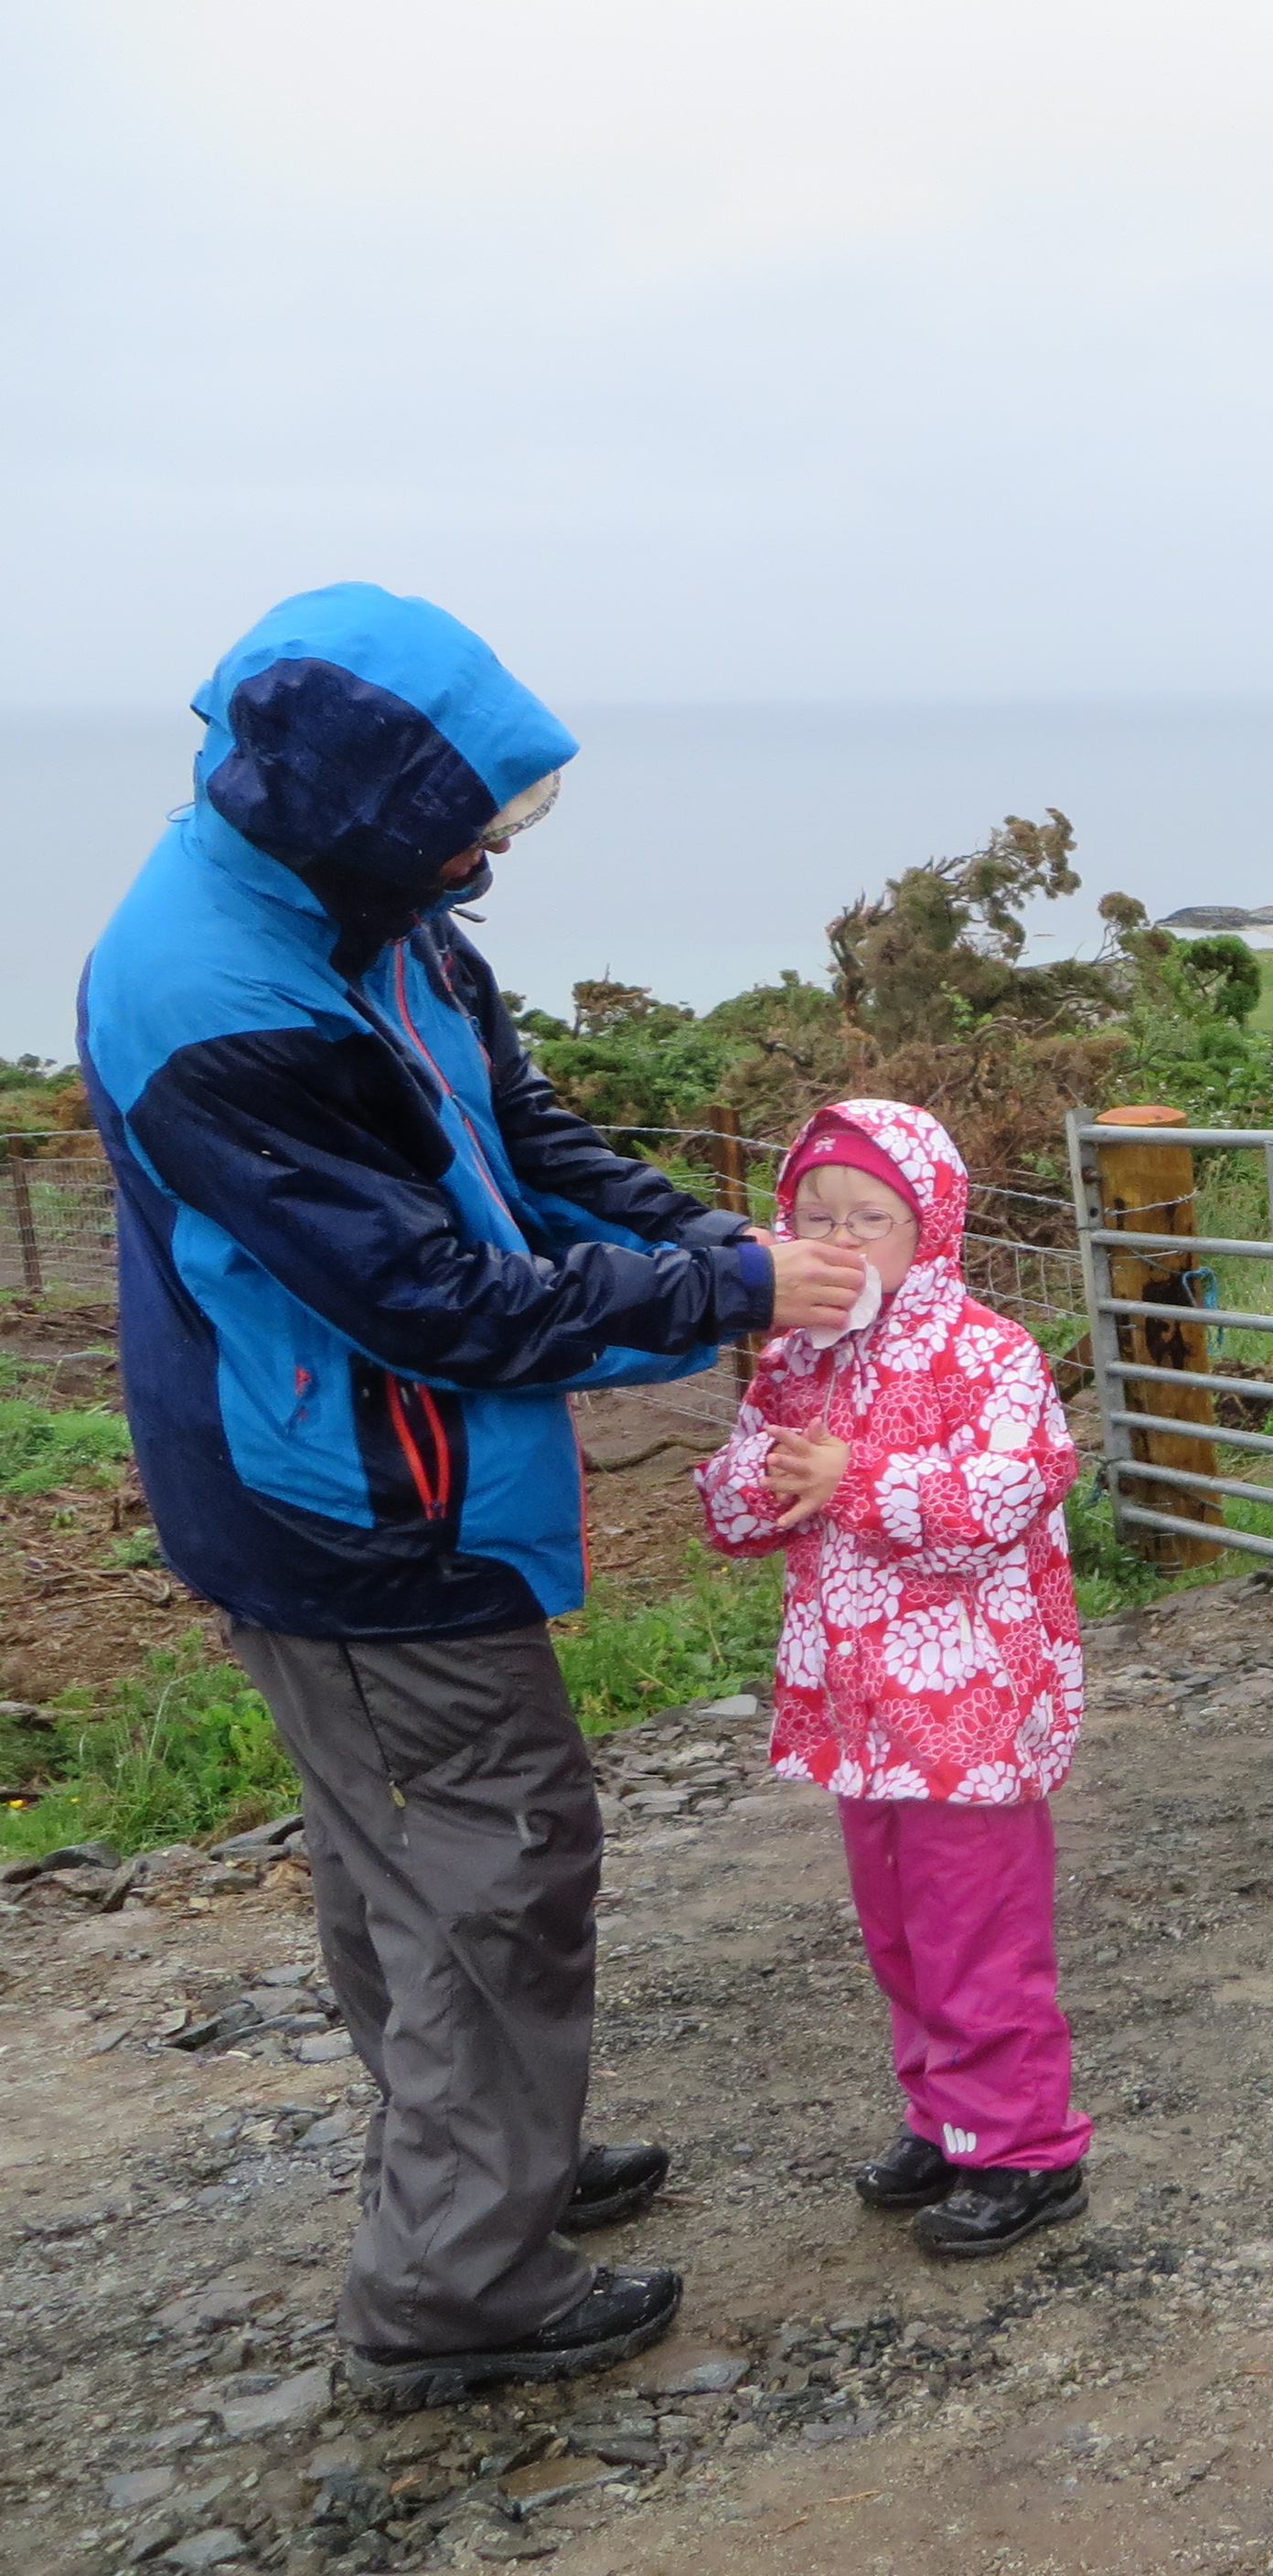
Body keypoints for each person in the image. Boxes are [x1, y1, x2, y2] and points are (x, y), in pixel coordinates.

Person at [76, 584, 870, 2410]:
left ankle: (487, 2161)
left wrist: (711, 1242)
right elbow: (431, 1298)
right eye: (469, 821)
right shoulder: (216, 997)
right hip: (348, 1501)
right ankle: (455, 2282)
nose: (488, 855)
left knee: (408, 1858)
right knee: (495, 1856)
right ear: (365, 810)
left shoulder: (373, 913)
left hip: (348, 1465)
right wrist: (725, 1296)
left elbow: (517, 1138)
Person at [696, 1098, 1093, 2255]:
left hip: (971, 1707)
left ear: (932, 1225)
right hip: (859, 1707)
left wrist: (856, 1477)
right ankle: (946, 2118)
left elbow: (1005, 1496)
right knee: (902, 1933)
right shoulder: (796, 1358)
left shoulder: (989, 1352)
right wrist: (763, 1480)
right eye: (814, 1217)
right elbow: (737, 1506)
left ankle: (1023, 2149)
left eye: (870, 1217)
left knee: (977, 1933)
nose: (842, 1240)